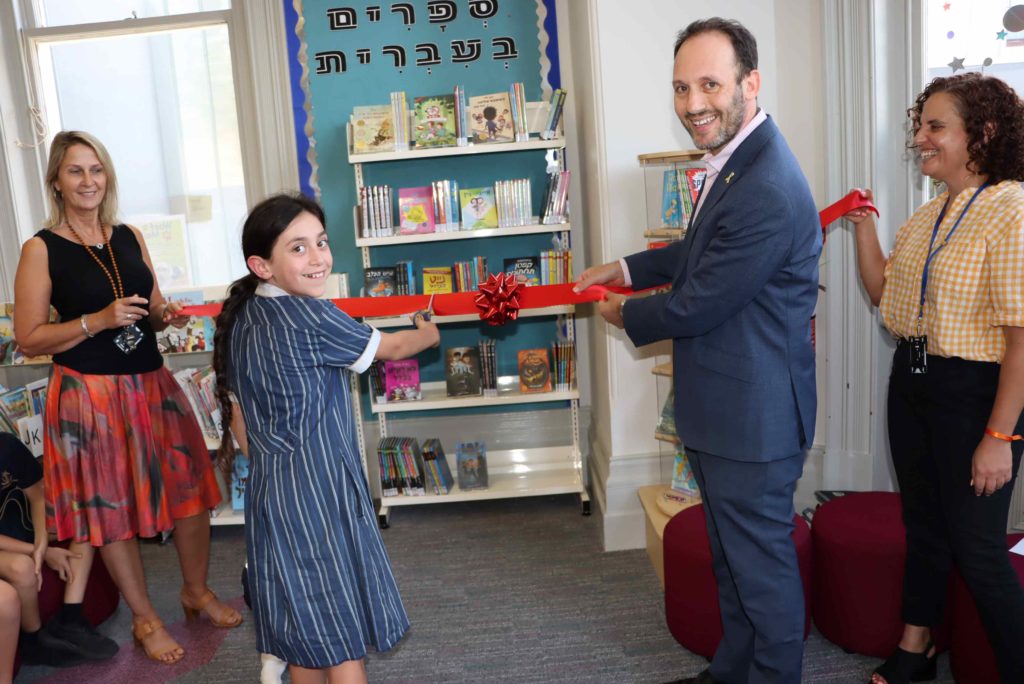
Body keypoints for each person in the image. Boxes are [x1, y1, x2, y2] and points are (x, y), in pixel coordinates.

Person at [575, 18, 820, 684]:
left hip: (753, 421)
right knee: (731, 561)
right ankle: (731, 672)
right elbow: (698, 254)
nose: (693, 103)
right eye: (682, 87)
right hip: (726, 411)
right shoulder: (741, 160)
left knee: (760, 573)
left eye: (710, 84)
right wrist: (624, 268)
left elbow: (699, 301)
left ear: (750, 83)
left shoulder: (765, 182)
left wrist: (622, 310)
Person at [12, 130, 242, 666]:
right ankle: (145, 619)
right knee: (109, 510)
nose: (88, 180)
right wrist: (96, 321)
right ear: (57, 181)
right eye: (75, 171)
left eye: (96, 169)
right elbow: (28, 337)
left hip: (150, 383)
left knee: (190, 492)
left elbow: (153, 307)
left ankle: (195, 591)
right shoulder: (40, 248)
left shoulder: (129, 235)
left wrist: (166, 316)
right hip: (87, 395)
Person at [212, 193, 439, 684]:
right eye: (298, 248)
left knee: (304, 630)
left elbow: (240, 423)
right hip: (321, 499)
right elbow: (395, 346)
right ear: (262, 264)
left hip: (272, 493)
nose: (317, 258)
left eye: (321, 242)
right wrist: (428, 332)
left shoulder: (244, 316)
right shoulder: (312, 317)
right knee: (341, 640)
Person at [844, 72, 1024, 684]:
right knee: (924, 529)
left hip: (976, 395)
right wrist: (864, 225)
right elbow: (884, 293)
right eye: (919, 127)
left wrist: (999, 438)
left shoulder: (1012, 208)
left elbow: (1023, 334)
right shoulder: (927, 216)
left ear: (985, 133)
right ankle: (915, 651)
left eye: (934, 126)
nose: (920, 138)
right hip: (913, 382)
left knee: (977, 550)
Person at [0, 432, 117, 666]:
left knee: (88, 515)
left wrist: (42, 543)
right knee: (23, 567)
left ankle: (71, 617)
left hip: (22, 527)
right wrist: (37, 553)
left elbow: (37, 496)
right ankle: (33, 641)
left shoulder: (6, 444)